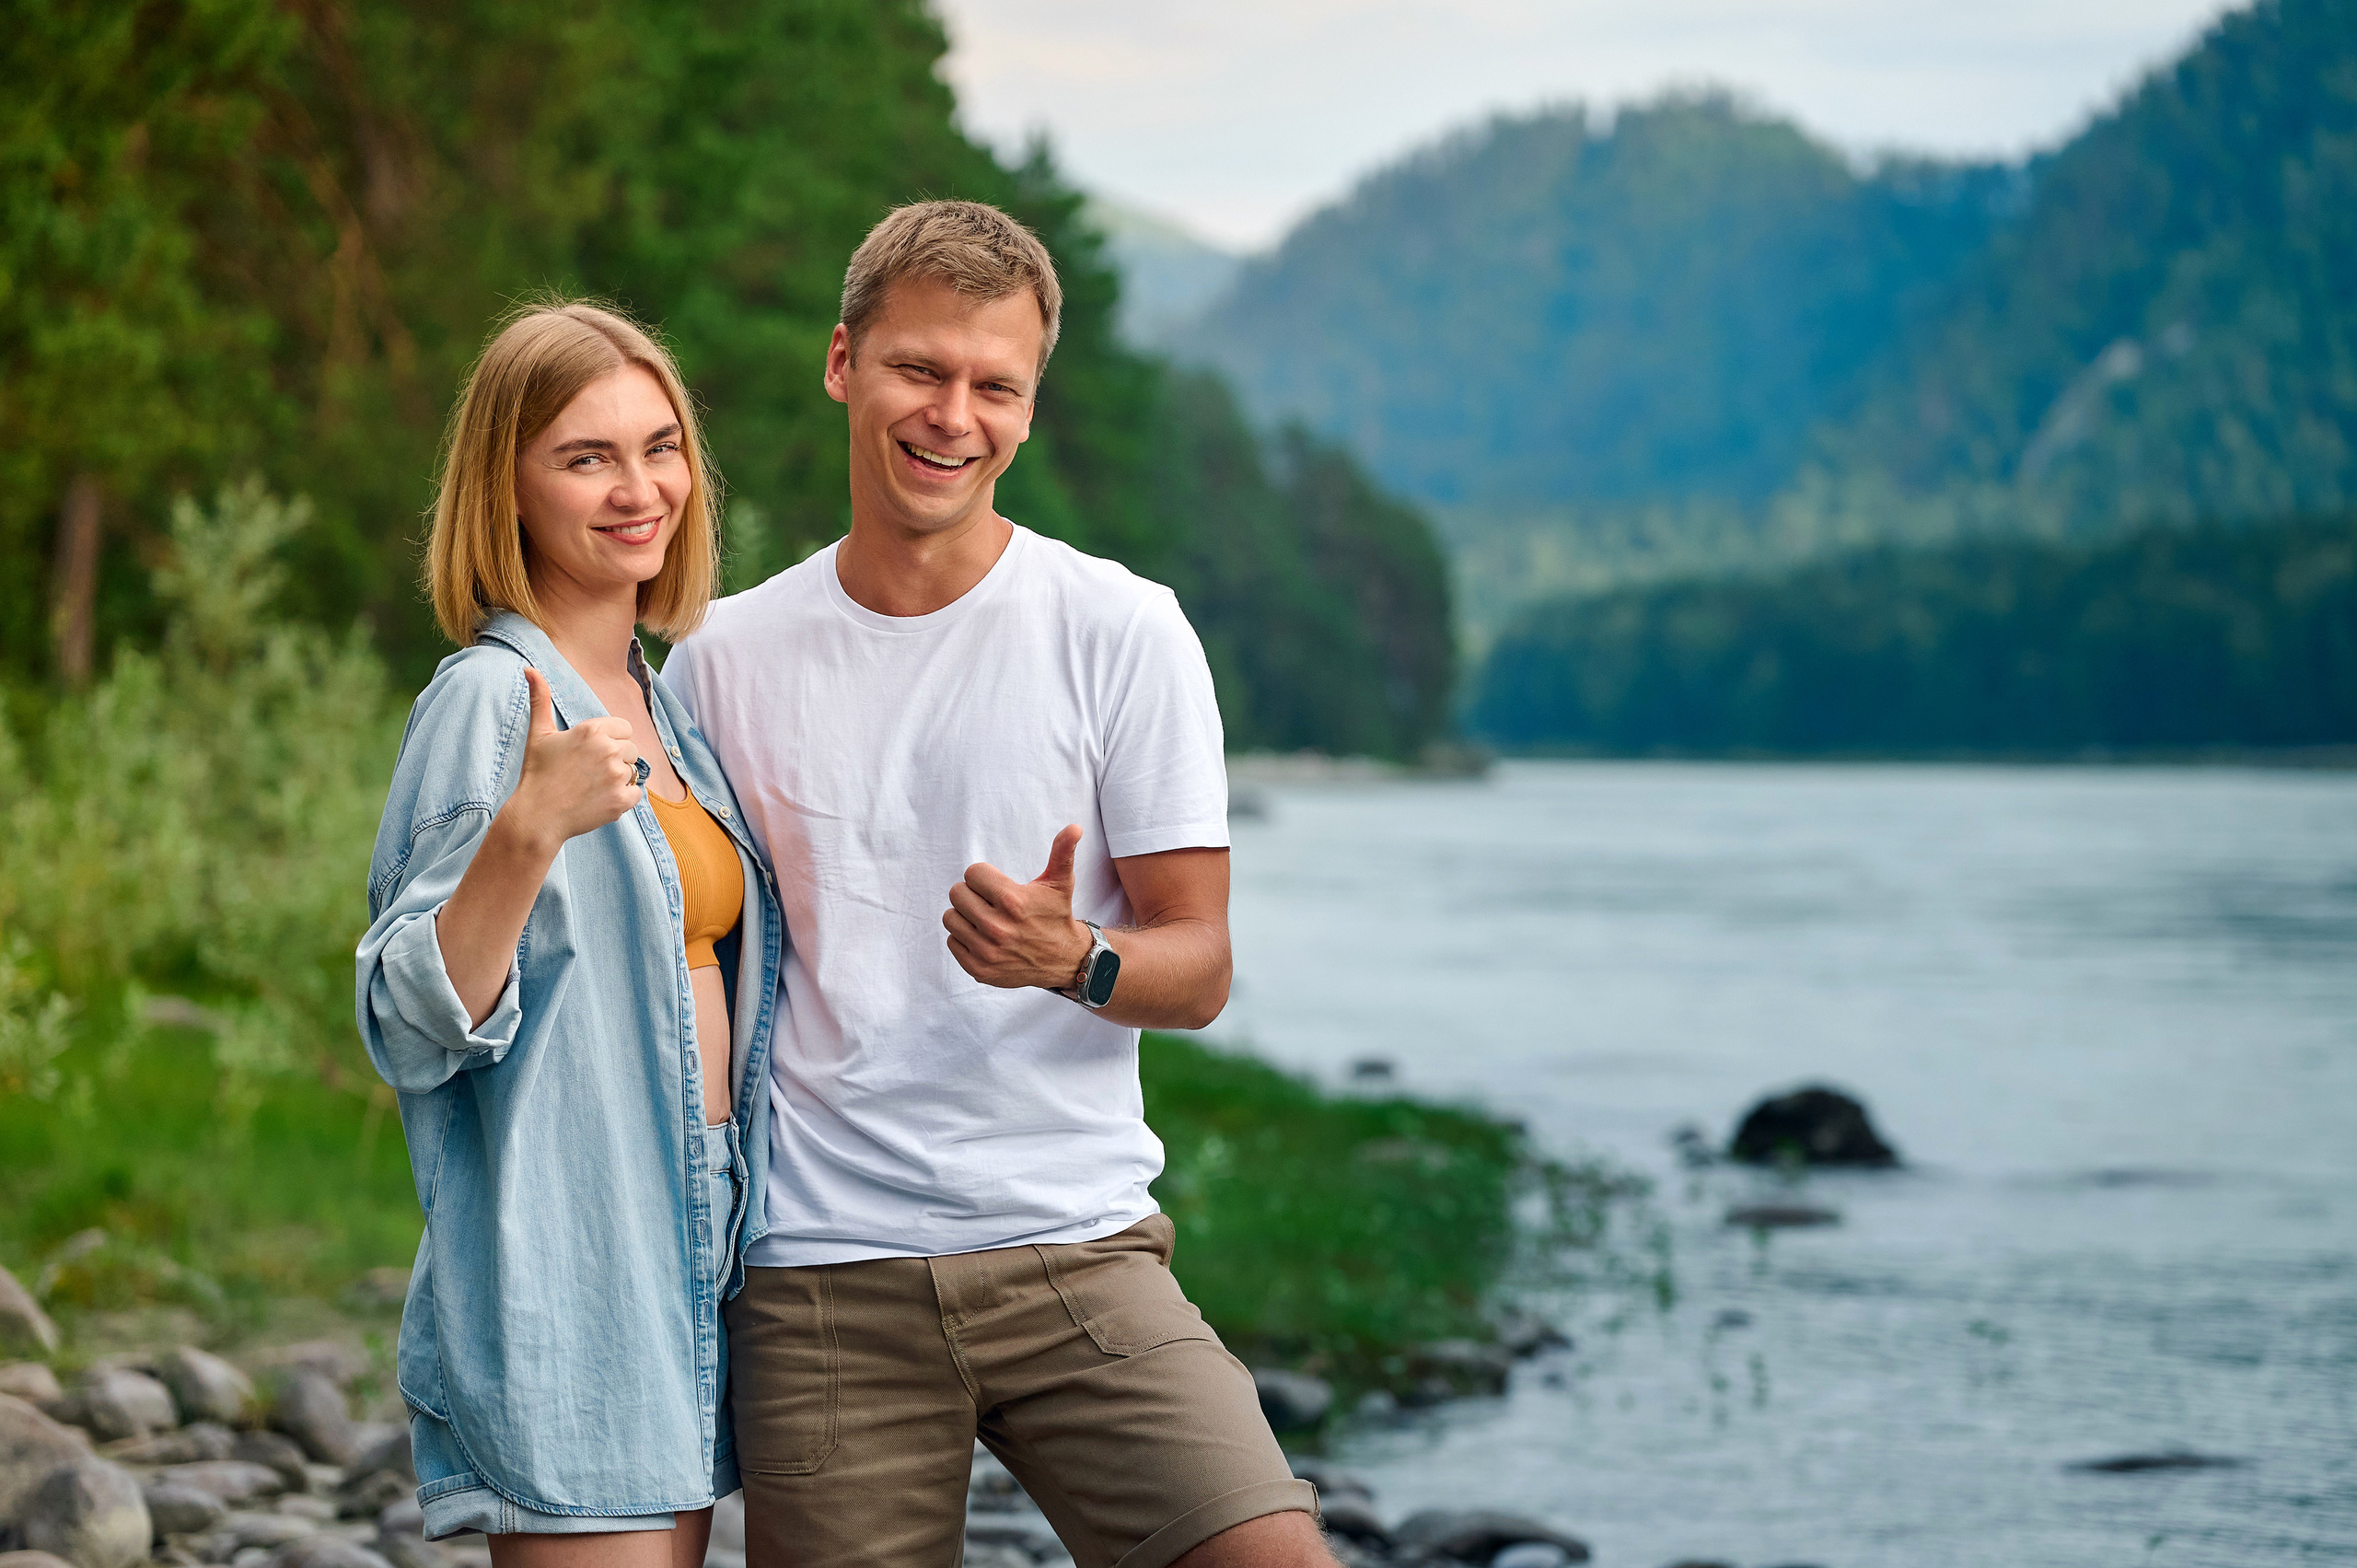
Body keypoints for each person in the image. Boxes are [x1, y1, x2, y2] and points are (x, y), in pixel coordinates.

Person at [661, 202, 1332, 1568]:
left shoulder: (1121, 629)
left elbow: (1196, 967)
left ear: (1029, 407)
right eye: (919, 368)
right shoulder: (720, 660)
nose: (952, 414)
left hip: (1076, 1250)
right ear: (844, 361)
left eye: (995, 385)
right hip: (820, 1274)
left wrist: (1075, 956)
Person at [355, 300, 784, 1568]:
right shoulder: (494, 698)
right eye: (584, 457)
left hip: (707, 1220)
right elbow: (403, 1022)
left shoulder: (670, 704)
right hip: (578, 1236)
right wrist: (524, 834)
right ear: (510, 486)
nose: (638, 488)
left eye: (660, 448)